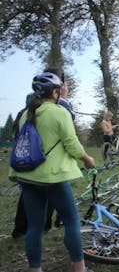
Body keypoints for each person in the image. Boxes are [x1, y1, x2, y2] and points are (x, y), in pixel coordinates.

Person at [8, 72, 95, 272]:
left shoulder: (26, 114)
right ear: (55, 92)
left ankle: (35, 269)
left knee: (35, 226)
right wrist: (87, 159)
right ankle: (80, 269)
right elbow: (71, 143)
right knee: (72, 221)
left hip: (28, 177)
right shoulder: (59, 112)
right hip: (53, 178)